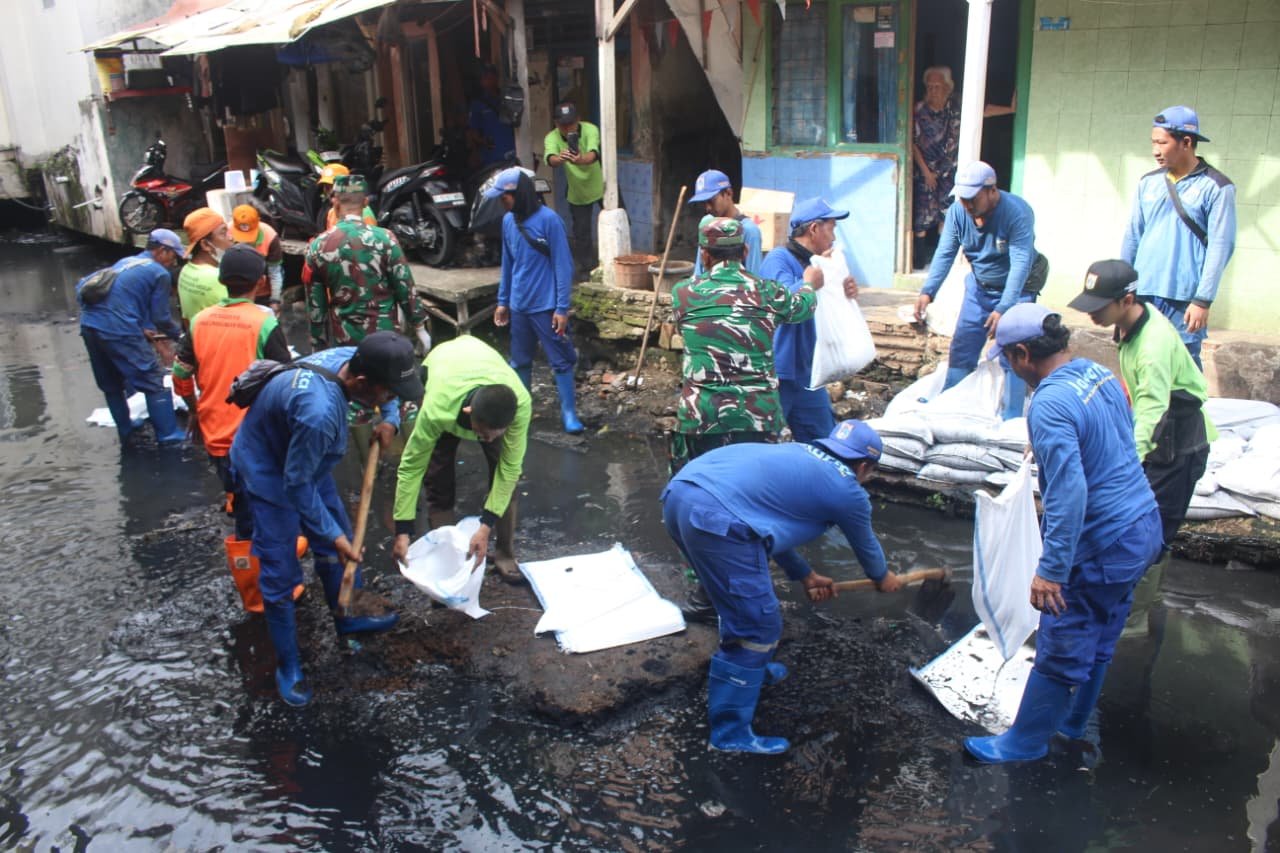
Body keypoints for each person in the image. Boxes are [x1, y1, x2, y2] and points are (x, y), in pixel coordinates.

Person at [963, 304, 1163, 764]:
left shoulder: (1050, 403)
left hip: (1104, 540)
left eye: (1009, 361)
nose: (1012, 371)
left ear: (1023, 353)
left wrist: (1051, 571)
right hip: (1142, 523)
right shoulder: (1096, 372)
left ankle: (1024, 743)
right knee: (1104, 626)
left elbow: (1070, 494)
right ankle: (1073, 723)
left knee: (1065, 634)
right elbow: (1119, 434)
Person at [661, 420, 904, 754]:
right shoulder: (849, 491)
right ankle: (729, 735)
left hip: (680, 495)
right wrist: (883, 577)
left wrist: (805, 574)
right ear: (865, 466)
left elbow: (762, 523)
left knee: (732, 600)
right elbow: (867, 549)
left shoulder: (800, 453)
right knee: (759, 626)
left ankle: (749, 670)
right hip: (717, 518)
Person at [229, 331, 422, 707]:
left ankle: (346, 614)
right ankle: (289, 665)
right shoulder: (320, 413)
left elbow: (389, 393)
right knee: (280, 567)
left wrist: (391, 419)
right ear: (362, 383)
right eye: (386, 394)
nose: (390, 398)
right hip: (268, 469)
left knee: (340, 543)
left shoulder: (357, 357)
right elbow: (295, 485)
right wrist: (332, 535)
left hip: (305, 461)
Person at [671, 215, 822, 624]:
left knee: (697, 497)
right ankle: (752, 581)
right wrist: (809, 283)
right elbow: (802, 307)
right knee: (754, 500)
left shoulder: (683, 292)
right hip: (757, 417)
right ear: (745, 252)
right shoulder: (767, 292)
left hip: (701, 418)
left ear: (703, 253)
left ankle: (704, 591)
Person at [1068, 258, 1217, 581]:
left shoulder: (1153, 345)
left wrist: (1126, 465)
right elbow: (1137, 394)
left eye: (1100, 306)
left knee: (1153, 533)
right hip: (1156, 433)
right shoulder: (1131, 322)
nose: (1091, 313)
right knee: (1130, 521)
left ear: (1127, 301)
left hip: (1178, 442)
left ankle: (1136, 620)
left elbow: (1152, 409)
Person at [172, 245, 293, 610]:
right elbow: (285, 381)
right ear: (260, 282)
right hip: (256, 439)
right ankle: (260, 593)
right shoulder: (265, 322)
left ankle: (255, 576)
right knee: (265, 510)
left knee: (240, 503)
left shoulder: (200, 321)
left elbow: (180, 374)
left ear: (223, 281)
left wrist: (195, 409)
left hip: (215, 435)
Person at [912, 161, 1047, 420]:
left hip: (1016, 291)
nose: (967, 204)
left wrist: (1004, 309)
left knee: (1015, 354)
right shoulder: (958, 212)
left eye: (972, 198)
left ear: (992, 190)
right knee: (963, 347)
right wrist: (927, 292)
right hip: (979, 289)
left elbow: (1020, 264)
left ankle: (1011, 418)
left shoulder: (1016, 213)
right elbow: (945, 253)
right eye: (963, 198)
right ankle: (949, 407)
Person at [391, 335, 531, 583]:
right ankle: (446, 561)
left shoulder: (519, 405)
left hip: (482, 364)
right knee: (437, 476)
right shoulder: (437, 410)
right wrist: (403, 529)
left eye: (495, 434)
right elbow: (412, 466)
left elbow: (509, 470)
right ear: (469, 412)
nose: (486, 439)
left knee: (506, 473)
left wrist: (485, 527)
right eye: (483, 433)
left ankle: (505, 553)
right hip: (443, 368)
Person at [1121, 106, 1236, 370]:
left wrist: (1202, 300)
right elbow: (1133, 235)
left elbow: (1221, 247)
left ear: (1186, 142)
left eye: (1162, 142)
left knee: (1183, 370)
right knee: (1143, 364)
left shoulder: (1217, 187)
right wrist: (1122, 289)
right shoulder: (1147, 183)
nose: (1155, 150)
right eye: (1153, 143)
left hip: (1184, 298)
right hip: (1144, 292)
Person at [487, 166, 583, 434]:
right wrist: (503, 301)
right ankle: (523, 408)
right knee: (520, 360)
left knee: (561, 360)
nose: (502, 201)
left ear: (521, 194)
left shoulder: (549, 220)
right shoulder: (508, 221)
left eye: (505, 196)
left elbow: (563, 266)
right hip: (519, 305)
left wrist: (562, 307)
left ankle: (568, 413)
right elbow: (507, 263)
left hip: (547, 306)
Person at [758, 198, 860, 443]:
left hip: (808, 371)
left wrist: (844, 289)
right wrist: (808, 284)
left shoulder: (820, 263)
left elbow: (825, 304)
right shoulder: (778, 259)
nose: (834, 237)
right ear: (814, 228)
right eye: (831, 228)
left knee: (824, 441)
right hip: (778, 372)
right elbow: (780, 304)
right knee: (763, 442)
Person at [78, 228, 187, 445]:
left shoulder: (127, 262)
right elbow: (161, 317)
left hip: (90, 324)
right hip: (119, 329)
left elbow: (119, 297)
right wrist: (181, 336)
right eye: (173, 255)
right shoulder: (159, 273)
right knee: (153, 381)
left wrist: (140, 327)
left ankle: (126, 429)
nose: (173, 261)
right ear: (162, 251)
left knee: (110, 384)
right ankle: (169, 435)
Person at [305, 174, 428, 353]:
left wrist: (318, 341)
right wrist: (419, 326)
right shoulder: (386, 238)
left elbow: (315, 302)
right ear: (365, 202)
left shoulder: (318, 246)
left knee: (354, 380)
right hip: (385, 338)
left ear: (335, 203)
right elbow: (404, 285)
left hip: (345, 341)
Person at [543, 102, 603, 278]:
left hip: (602, 182)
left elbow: (594, 153)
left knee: (621, 217)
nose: (568, 128)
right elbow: (550, 159)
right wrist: (560, 158)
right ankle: (587, 269)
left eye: (571, 123)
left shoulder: (590, 129)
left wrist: (581, 159)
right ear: (556, 123)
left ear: (578, 120)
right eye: (563, 124)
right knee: (581, 232)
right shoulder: (551, 138)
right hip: (577, 190)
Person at [912, 66, 960, 270]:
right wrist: (926, 172)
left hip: (949, 171)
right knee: (922, 216)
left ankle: (940, 263)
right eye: (929, 87)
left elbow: (982, 111)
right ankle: (919, 260)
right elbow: (912, 143)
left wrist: (1011, 109)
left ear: (947, 88)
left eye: (937, 87)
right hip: (926, 170)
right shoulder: (919, 110)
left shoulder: (955, 108)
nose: (933, 91)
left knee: (946, 213)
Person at [688, 169, 763, 276]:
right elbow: (699, 272)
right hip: (705, 290)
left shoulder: (749, 230)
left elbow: (754, 277)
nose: (708, 208)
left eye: (711, 201)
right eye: (704, 203)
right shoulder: (707, 223)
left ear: (728, 193)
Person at [177, 208, 234, 324]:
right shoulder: (218, 278)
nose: (231, 237)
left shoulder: (186, 270)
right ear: (205, 245)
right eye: (223, 233)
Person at [230, 204, 285, 306]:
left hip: (263, 293)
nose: (245, 242)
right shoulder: (227, 233)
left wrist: (275, 300)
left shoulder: (270, 237)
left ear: (258, 222)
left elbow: (275, 272)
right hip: (236, 294)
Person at [467, 64, 516, 168]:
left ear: (496, 78)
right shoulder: (478, 104)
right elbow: (473, 131)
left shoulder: (506, 98)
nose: (489, 80)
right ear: (481, 81)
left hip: (511, 152)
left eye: (491, 77)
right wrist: (482, 141)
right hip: (491, 156)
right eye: (486, 78)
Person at [319, 163, 377, 231]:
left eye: (332, 185)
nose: (329, 190)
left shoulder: (365, 214)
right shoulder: (331, 212)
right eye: (326, 186)